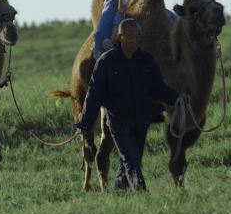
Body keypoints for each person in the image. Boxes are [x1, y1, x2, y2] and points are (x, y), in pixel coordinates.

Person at [75, 19, 181, 192]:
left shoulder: (146, 61)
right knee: (131, 160)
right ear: (120, 37)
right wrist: (85, 123)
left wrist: (178, 99)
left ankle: (119, 193)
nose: (134, 40)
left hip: (141, 122)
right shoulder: (106, 62)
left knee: (131, 162)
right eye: (130, 37)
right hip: (118, 123)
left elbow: (158, 88)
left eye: (137, 37)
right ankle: (142, 196)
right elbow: (94, 95)